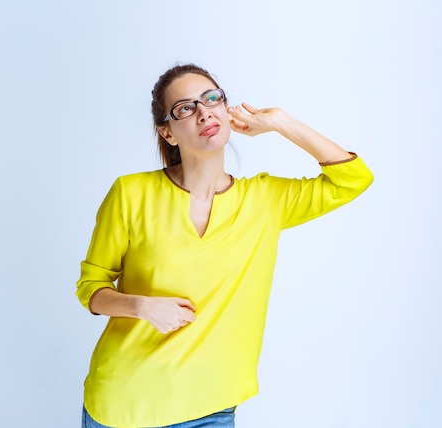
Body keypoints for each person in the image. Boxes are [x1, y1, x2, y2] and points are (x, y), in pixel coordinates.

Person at [76, 63, 373, 428]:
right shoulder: (131, 193)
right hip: (124, 404)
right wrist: (141, 306)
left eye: (211, 98)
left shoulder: (265, 200)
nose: (203, 112)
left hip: (210, 409)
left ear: (226, 109)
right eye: (185, 108)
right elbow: (91, 287)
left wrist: (281, 122)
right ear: (168, 133)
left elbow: (352, 180)